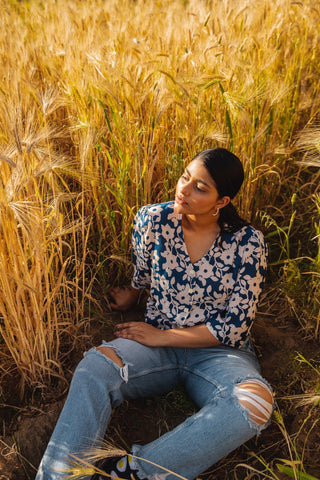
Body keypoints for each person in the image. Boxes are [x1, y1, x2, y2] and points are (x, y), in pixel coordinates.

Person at [36, 147, 273, 480]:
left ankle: (134, 472)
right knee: (95, 367)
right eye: (184, 178)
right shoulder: (153, 219)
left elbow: (234, 328)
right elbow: (144, 271)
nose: (184, 190)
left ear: (223, 202)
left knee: (255, 402)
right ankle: (58, 477)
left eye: (200, 188)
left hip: (217, 353)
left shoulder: (249, 243)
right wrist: (132, 294)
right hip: (156, 347)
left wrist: (164, 336)